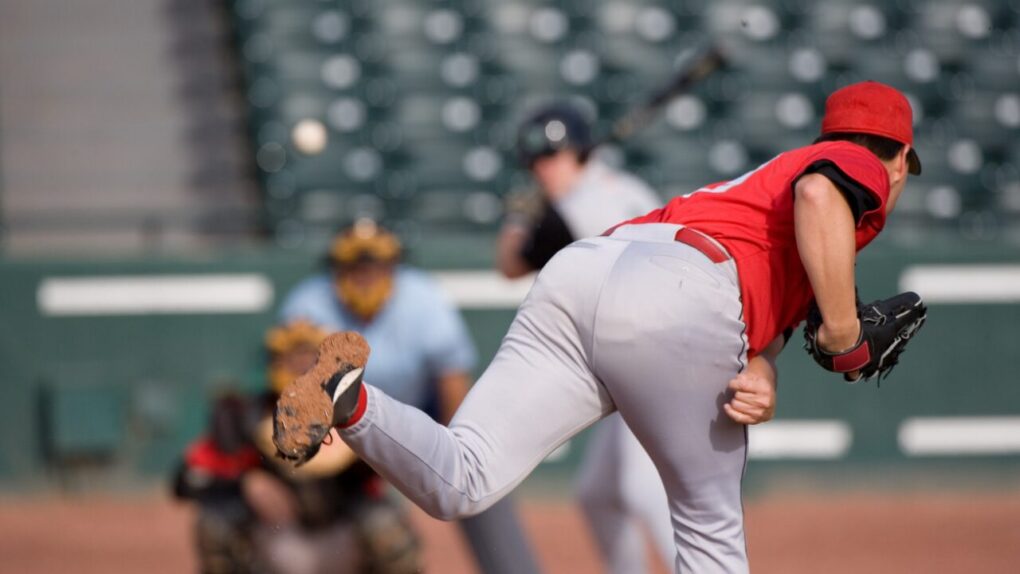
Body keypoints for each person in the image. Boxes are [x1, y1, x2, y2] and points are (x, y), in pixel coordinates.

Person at [280, 81, 922, 572]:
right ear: (899, 160)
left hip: (588, 269)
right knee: (709, 533)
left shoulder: (768, 193)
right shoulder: (850, 164)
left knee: (464, 477)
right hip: (681, 295)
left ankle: (352, 401)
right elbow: (818, 196)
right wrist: (844, 338)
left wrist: (764, 366)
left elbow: (770, 306)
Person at [278, 221, 540, 574]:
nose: (365, 275)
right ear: (335, 269)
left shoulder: (422, 298)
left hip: (419, 414)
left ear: (393, 267)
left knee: (480, 476)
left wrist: (456, 457)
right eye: (354, 266)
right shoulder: (309, 303)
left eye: (376, 265)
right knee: (349, 516)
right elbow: (292, 388)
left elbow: (452, 384)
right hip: (337, 434)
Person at [498, 102, 674, 572]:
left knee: (641, 488)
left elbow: (510, 264)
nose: (542, 169)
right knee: (597, 493)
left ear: (578, 153)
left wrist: (518, 217)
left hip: (657, 354)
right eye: (536, 161)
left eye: (552, 157)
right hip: (643, 351)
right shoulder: (626, 186)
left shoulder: (573, 210)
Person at [173, 320, 421, 574]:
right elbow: (187, 480)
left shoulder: (352, 414)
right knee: (215, 520)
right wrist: (245, 483)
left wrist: (365, 463)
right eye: (294, 359)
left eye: (312, 360)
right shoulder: (244, 416)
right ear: (276, 363)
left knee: (386, 524)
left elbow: (403, 466)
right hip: (274, 542)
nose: (303, 368)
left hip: (342, 540)